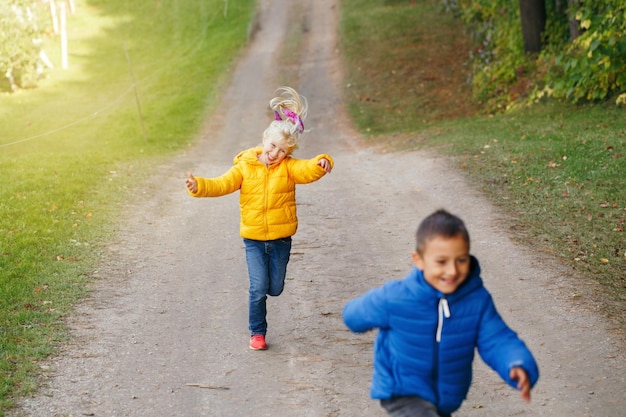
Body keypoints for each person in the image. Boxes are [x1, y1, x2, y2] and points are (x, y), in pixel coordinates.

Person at [342, 209, 539, 417]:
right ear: (419, 260)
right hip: (402, 391)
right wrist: (361, 316)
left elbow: (497, 339)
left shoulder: (476, 300)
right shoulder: (397, 297)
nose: (452, 271)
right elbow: (353, 316)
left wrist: (516, 363)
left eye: (461, 260)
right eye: (441, 262)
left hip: (446, 397)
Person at [186, 86, 333, 351]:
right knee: (258, 287)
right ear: (265, 139)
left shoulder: (288, 167)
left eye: (282, 151)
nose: (275, 153)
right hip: (253, 238)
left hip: (280, 238)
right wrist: (200, 186)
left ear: (287, 154)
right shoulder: (245, 165)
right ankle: (257, 332)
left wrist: (321, 162)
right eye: (273, 146)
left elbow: (306, 168)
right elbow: (222, 183)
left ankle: (267, 302)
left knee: (274, 288)